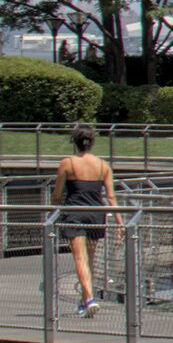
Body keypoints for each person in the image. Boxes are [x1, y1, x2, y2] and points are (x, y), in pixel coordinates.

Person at [48, 126, 116, 316]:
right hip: (96, 214)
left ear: (75, 143)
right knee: (90, 259)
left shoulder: (67, 163)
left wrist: (52, 213)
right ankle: (85, 299)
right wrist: (119, 222)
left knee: (80, 258)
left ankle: (89, 299)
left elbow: (57, 194)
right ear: (92, 142)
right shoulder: (103, 165)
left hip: (75, 214)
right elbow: (111, 197)